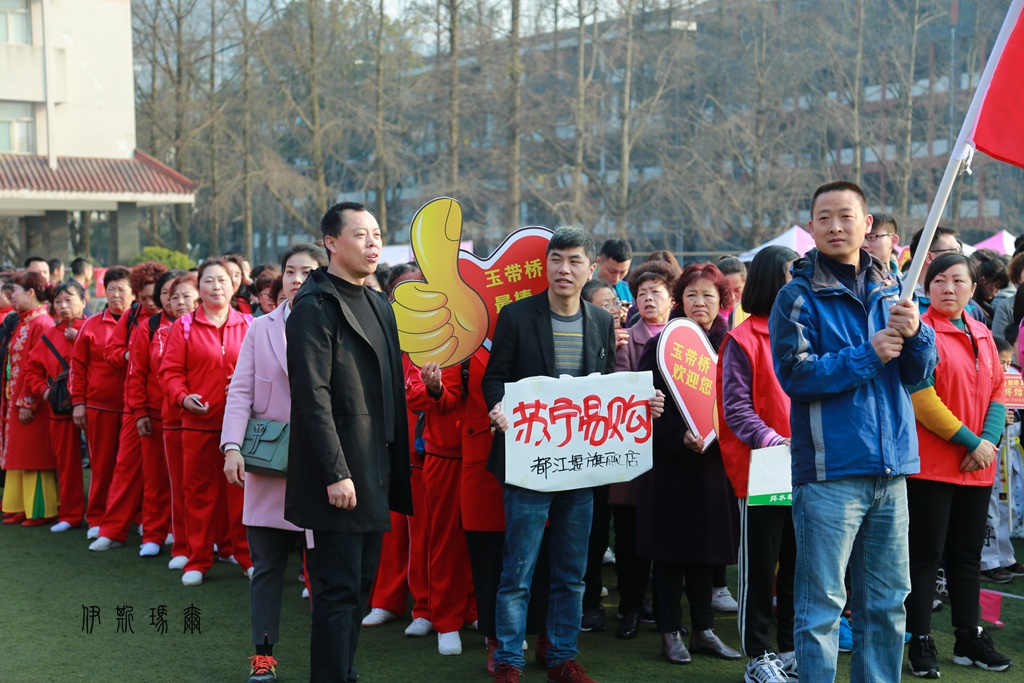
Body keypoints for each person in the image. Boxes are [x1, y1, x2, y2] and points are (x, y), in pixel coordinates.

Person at [770, 180, 937, 683]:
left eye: (846, 216)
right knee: (821, 607)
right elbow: (796, 376)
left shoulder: (894, 290)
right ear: (811, 228)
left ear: (867, 225)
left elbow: (919, 374)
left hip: (892, 469)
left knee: (887, 604)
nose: (835, 226)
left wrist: (917, 334)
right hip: (830, 472)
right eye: (824, 217)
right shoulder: (796, 296)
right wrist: (869, 354)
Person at [483, 226, 662, 683]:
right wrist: (498, 407)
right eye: (556, 259)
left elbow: (607, 389)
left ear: (590, 268)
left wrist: (642, 406)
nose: (564, 269)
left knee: (572, 571)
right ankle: (508, 661)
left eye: (574, 261)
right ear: (545, 264)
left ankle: (562, 657)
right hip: (528, 462)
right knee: (517, 569)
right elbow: (495, 377)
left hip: (580, 467)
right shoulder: (516, 316)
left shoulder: (600, 321)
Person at [284, 202, 412, 683]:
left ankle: (345, 673)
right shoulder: (314, 306)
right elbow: (311, 398)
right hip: (338, 474)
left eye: (376, 234)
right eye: (361, 234)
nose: (373, 243)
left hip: (375, 466)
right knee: (337, 592)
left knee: (360, 589)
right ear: (331, 243)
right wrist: (336, 470)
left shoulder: (379, 304)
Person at [221, 243, 327, 683]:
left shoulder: (336, 323)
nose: (298, 279)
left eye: (307, 271)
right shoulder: (260, 328)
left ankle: (331, 662)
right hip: (268, 465)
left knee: (324, 574)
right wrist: (231, 446)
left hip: (323, 469)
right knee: (266, 569)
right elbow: (240, 391)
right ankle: (263, 658)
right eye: (290, 271)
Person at [904, 253, 1012, 677]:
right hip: (931, 467)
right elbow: (922, 398)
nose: (948, 288)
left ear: (973, 286)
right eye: (939, 281)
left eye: (958, 280)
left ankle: (969, 636)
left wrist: (988, 441)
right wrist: (973, 442)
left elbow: (998, 391)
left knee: (967, 556)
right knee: (925, 556)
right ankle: (920, 639)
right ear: (927, 287)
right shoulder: (919, 331)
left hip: (976, 467)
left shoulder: (982, 332)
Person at [636, 262, 742, 666]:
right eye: (692, 294)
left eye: (708, 295)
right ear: (679, 299)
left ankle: (704, 630)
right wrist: (678, 435)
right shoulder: (660, 345)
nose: (700, 302)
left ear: (722, 301)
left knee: (705, 549)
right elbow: (642, 406)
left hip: (713, 466)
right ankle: (670, 631)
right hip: (669, 466)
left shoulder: (730, 345)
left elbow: (740, 403)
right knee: (669, 551)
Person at [717, 246, 799, 683]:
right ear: (771, 281)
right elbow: (736, 408)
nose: (801, 283)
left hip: (807, 465)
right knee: (760, 566)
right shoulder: (743, 339)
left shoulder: (807, 332)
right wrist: (775, 441)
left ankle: (790, 647)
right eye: (792, 274)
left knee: (800, 562)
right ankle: (758, 655)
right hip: (764, 468)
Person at [162, 258, 253, 586]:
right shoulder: (184, 326)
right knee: (198, 493)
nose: (216, 286)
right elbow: (170, 372)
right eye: (209, 281)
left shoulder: (249, 324)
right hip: (197, 423)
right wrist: (183, 397)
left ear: (234, 285)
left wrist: (247, 387)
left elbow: (264, 370)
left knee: (241, 494)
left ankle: (245, 556)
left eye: (222, 280)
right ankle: (198, 559)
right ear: (198, 288)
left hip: (241, 427)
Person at [610, 259, 678, 641]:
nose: (648, 298)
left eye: (656, 292)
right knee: (630, 535)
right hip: (634, 452)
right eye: (641, 293)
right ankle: (631, 606)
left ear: (672, 300)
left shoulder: (684, 338)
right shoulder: (626, 339)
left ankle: (667, 610)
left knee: (669, 533)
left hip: (674, 452)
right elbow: (620, 389)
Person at [89, 262, 168, 552]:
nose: (149, 302)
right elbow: (110, 351)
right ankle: (112, 529)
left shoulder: (179, 318)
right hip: (134, 404)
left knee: (165, 473)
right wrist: (131, 355)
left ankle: (163, 529)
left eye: (154, 296)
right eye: (143, 297)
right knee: (126, 468)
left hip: (171, 407)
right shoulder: (133, 316)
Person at [71, 266, 135, 539]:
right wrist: (78, 402)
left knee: (135, 467)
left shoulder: (142, 323)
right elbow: (78, 366)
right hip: (100, 406)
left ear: (134, 293)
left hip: (136, 408)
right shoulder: (92, 324)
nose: (116, 295)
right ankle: (97, 517)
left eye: (121, 289)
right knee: (102, 465)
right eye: (111, 290)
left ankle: (138, 517)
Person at [24, 281, 88, 532]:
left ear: (83, 302)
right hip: (60, 406)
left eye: (69, 300)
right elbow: (32, 370)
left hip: (94, 405)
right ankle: (70, 514)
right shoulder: (49, 335)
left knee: (104, 463)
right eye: (58, 301)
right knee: (67, 463)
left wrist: (80, 337)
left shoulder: (95, 329)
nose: (63, 306)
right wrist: (45, 391)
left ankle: (104, 516)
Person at [0, 272, 56, 526]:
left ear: (31, 293)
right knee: (19, 453)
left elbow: (39, 368)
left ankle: (41, 510)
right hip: (16, 398)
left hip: (32, 403)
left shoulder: (42, 323)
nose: (11, 295)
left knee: (34, 455)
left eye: (15, 291)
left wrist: (27, 401)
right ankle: (20, 505)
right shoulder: (25, 321)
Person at [161, 273, 201, 569]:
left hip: (217, 419)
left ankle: (223, 543)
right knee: (183, 487)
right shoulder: (161, 328)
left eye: (186, 296)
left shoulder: (238, 323)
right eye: (174, 297)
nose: (180, 301)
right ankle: (184, 546)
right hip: (175, 418)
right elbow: (165, 373)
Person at [981, 338, 1024, 583]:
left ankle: (1006, 556)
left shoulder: (1014, 378)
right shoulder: (981, 378)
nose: (1006, 368)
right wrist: (999, 421)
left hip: (1011, 451)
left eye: (1009, 362)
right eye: (1001, 362)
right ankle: (987, 560)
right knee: (992, 507)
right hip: (991, 450)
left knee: (1010, 506)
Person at [595, 238, 634, 307]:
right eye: (611, 271)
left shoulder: (629, 291)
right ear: (599, 261)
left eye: (622, 272)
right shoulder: (583, 288)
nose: (616, 278)